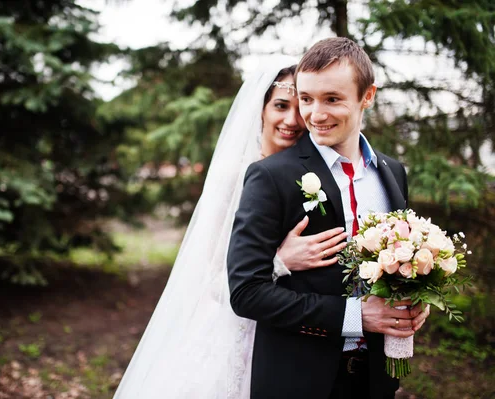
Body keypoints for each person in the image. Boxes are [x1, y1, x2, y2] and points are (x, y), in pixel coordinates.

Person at [112, 56, 348, 399]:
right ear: (262, 110)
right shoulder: (232, 178)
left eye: (301, 108)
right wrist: (280, 261)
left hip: (294, 334)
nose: (292, 120)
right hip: (233, 331)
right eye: (280, 106)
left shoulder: (314, 177)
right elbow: (211, 284)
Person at [227, 37, 430, 399]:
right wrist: (355, 317)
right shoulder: (271, 176)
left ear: (367, 95)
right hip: (298, 381)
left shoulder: (393, 173)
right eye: (307, 99)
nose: (315, 115)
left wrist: (415, 300)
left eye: (332, 99)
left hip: (375, 380)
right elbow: (246, 292)